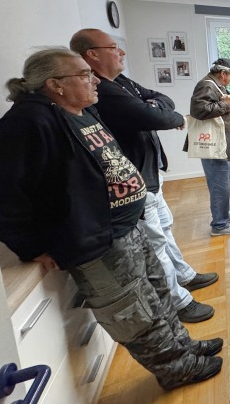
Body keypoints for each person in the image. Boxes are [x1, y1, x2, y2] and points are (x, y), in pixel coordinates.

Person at [0, 47, 223, 389]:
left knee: (157, 295)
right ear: (56, 84)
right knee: (135, 313)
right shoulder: (28, 121)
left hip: (129, 225)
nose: (95, 80)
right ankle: (177, 369)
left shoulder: (81, 111)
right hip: (99, 241)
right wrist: (29, 246)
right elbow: (0, 191)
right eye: (84, 74)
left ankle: (184, 347)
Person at [71, 29, 218, 323]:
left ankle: (184, 275)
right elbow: (157, 116)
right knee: (155, 242)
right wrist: (157, 112)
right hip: (135, 181)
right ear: (92, 54)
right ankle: (178, 302)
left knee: (165, 228)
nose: (121, 52)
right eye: (114, 48)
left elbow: (161, 98)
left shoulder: (120, 82)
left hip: (150, 174)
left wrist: (153, 107)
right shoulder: (108, 92)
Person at [187, 58, 230, 236]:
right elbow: (199, 110)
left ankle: (223, 215)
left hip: (221, 145)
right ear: (223, 73)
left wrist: (228, 102)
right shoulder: (207, 85)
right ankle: (219, 225)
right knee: (219, 185)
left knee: (224, 182)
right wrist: (225, 104)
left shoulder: (215, 85)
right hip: (214, 146)